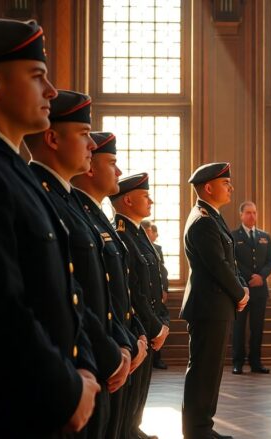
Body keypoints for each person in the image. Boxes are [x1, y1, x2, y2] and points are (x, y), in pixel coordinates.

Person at [0, 18, 99, 436]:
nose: (52, 92)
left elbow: (63, 289)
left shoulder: (8, 166)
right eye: (38, 77)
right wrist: (65, 390)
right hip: (8, 409)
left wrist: (82, 369)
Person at [26, 90, 131, 439]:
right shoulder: (41, 194)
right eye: (84, 135)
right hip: (72, 369)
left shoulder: (71, 202)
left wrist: (124, 344)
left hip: (94, 359)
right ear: (52, 138)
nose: (91, 145)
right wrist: (100, 357)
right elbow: (62, 294)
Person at [73, 131, 149, 439]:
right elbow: (79, 295)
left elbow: (120, 292)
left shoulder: (97, 216)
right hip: (96, 357)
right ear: (90, 168)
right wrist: (116, 350)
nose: (119, 171)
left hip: (117, 348)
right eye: (113, 162)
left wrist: (135, 338)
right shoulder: (78, 213)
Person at [181, 162, 248, 439]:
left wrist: (240, 287)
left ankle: (203, 428)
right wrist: (240, 292)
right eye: (225, 183)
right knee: (203, 373)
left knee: (209, 372)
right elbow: (217, 266)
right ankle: (197, 431)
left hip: (216, 306)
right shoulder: (203, 221)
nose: (231, 187)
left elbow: (229, 262)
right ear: (208, 187)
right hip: (209, 307)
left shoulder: (212, 216)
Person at [110, 173, 170, 439]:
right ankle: (127, 431)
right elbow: (133, 290)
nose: (151, 201)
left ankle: (134, 428)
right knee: (131, 390)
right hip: (136, 326)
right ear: (128, 200)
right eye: (145, 196)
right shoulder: (122, 235)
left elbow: (155, 282)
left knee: (142, 387)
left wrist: (162, 322)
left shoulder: (138, 234)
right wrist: (155, 326)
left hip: (150, 325)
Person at [232, 201, 271, 374]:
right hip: (242, 289)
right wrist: (250, 277)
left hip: (260, 290)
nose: (252, 216)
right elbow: (233, 261)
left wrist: (261, 276)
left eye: (254, 213)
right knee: (239, 328)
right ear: (241, 215)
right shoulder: (234, 236)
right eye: (248, 213)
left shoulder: (264, 236)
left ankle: (256, 362)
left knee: (257, 328)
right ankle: (238, 363)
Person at [142, 220, 170, 370]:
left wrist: (165, 289)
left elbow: (162, 272)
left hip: (158, 294)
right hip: (145, 293)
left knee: (159, 324)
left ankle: (157, 358)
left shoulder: (157, 248)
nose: (153, 235)